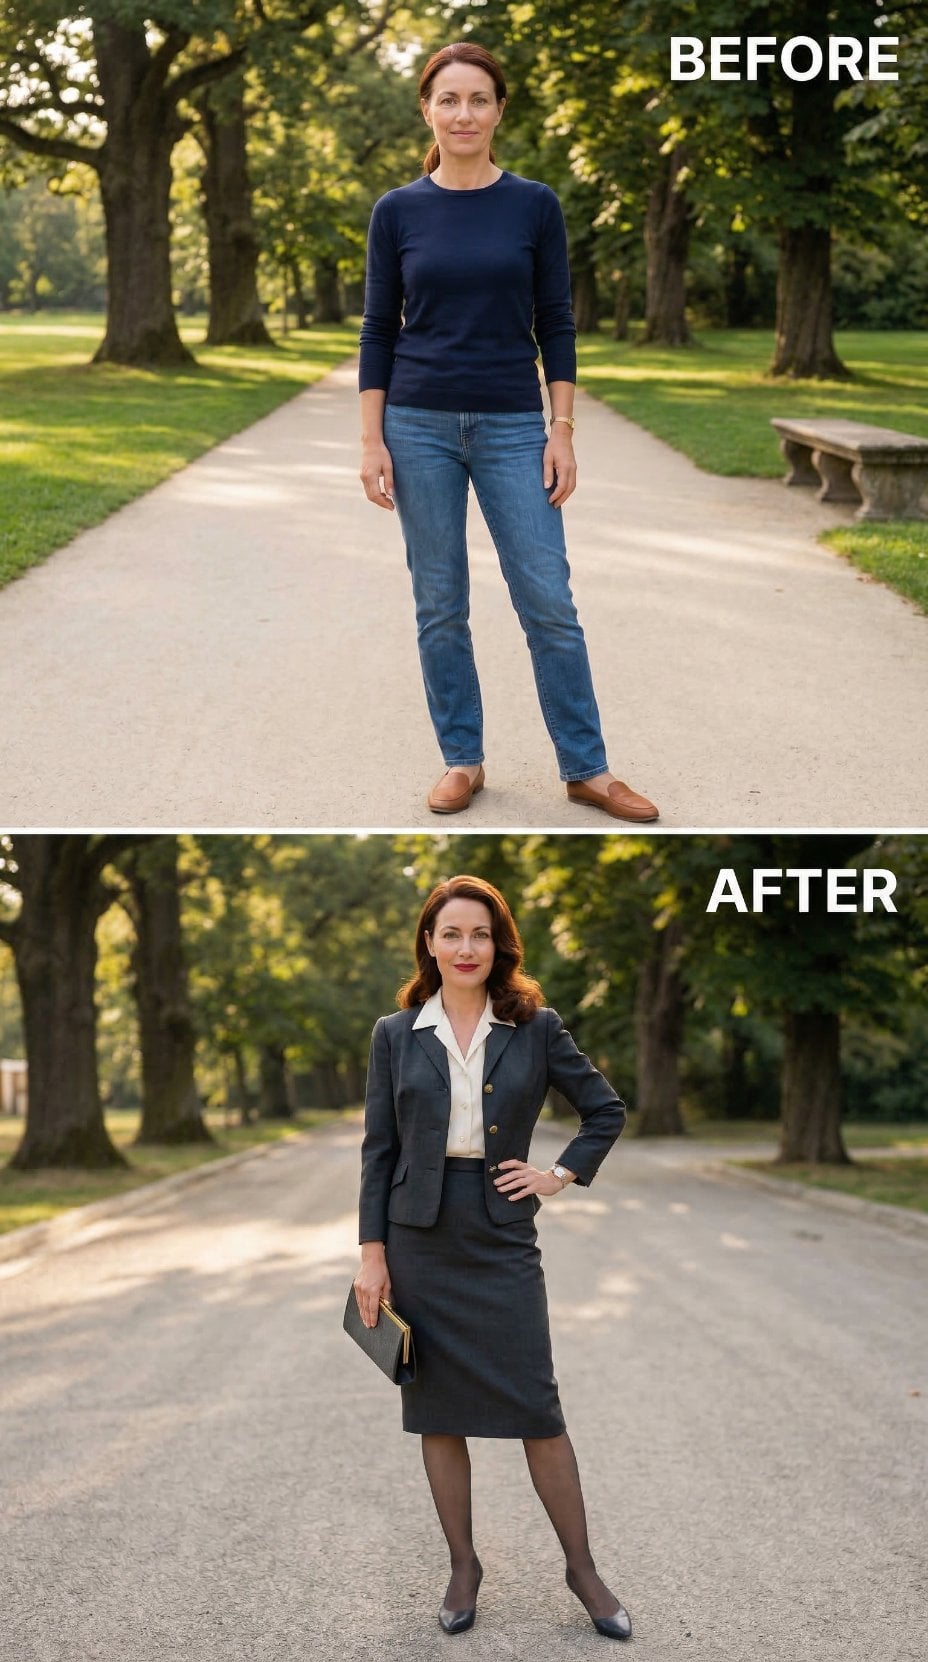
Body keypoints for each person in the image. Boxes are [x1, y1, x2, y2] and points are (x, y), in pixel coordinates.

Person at [358, 41, 659, 825]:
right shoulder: (396, 211)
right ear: (427, 109)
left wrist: (561, 428)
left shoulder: (535, 206)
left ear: (499, 111)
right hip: (416, 424)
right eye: (449, 99)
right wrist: (371, 440)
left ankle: (586, 769)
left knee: (547, 598)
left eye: (479, 99)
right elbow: (375, 332)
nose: (464, 114)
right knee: (439, 602)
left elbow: (556, 323)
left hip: (513, 423)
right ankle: (462, 759)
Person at [353, 874, 633, 1640]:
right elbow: (379, 1151)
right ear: (430, 944)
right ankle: (463, 1566)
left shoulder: (535, 1025)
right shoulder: (394, 1032)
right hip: (420, 1240)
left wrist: (559, 1174)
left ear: (497, 943)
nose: (466, 947)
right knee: (437, 1413)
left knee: (537, 1408)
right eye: (451, 934)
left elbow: (604, 1108)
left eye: (480, 934)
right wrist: (372, 1255)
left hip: (503, 1232)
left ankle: (583, 1571)